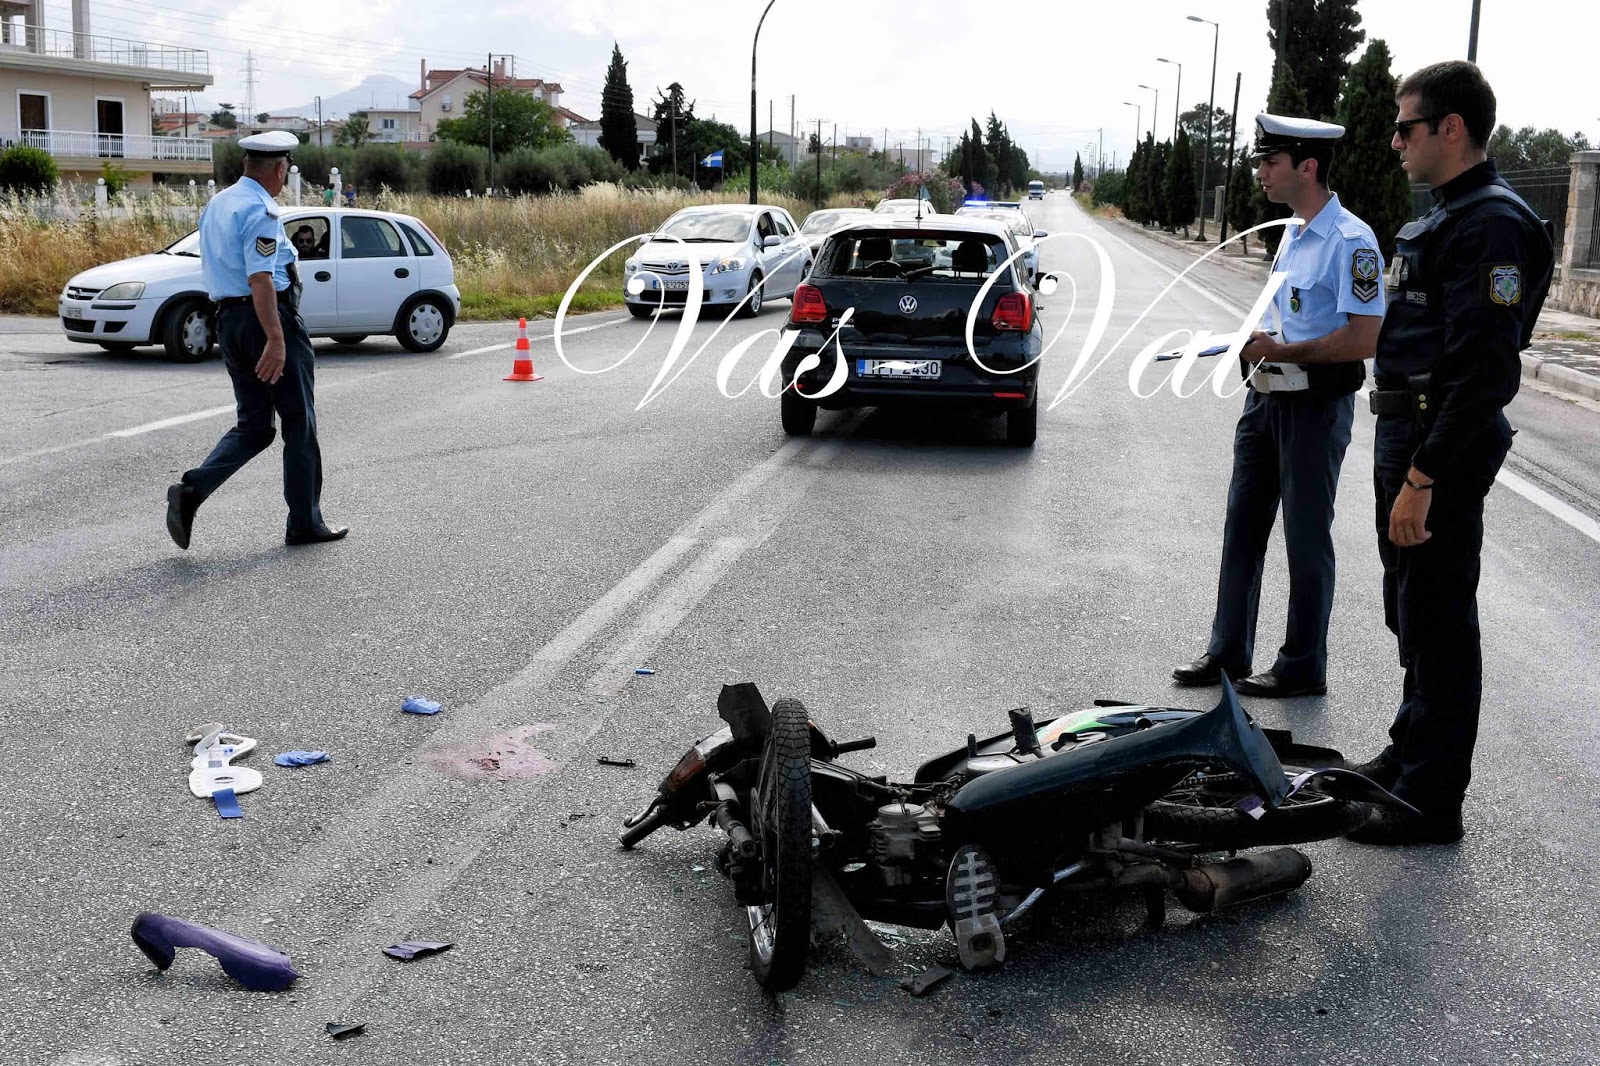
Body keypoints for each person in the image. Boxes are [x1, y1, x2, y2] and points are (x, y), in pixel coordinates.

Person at [1345, 61, 1554, 845]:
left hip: (1440, 441)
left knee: (1438, 615)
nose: (1395, 140)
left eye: (1405, 126)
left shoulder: (1491, 223)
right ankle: (1409, 755)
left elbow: (1487, 370)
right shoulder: (1447, 216)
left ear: (1451, 129)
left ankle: (1433, 800)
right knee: (1413, 610)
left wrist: (1424, 479)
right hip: (1408, 428)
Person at [1173, 114, 1386, 699]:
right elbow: (1285, 313)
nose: (1261, 172)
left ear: (1307, 167)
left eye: (1271, 162)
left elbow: (1365, 337)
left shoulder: (1352, 241)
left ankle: (1301, 664)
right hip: (1264, 400)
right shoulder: (1293, 230)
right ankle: (1227, 652)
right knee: (1242, 524)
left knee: (1305, 535)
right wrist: (1254, 339)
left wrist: (1285, 348)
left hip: (1315, 408)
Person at [165, 131, 348, 550]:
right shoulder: (261, 209)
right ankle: (305, 522)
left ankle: (191, 492)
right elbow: (261, 276)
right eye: (285, 171)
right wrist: (277, 340)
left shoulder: (219, 202)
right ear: (280, 169)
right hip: (267, 318)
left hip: (229, 321)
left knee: (254, 426)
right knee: (299, 424)